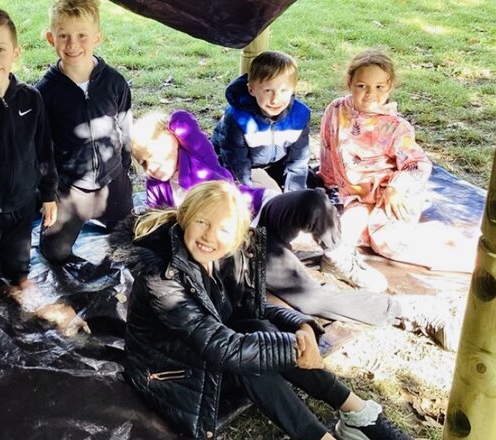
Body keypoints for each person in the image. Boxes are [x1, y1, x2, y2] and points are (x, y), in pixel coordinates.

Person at [129, 110, 460, 351]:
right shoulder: (157, 190)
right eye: (142, 162)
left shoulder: (195, 155)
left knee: (312, 201)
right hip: (243, 246)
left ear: (173, 141)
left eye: (153, 155)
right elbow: (160, 229)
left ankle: (337, 255)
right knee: (311, 299)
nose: (150, 166)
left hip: (259, 209)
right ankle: (411, 312)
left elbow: (183, 119)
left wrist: (160, 127)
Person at [110, 180, 413, 440]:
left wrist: (301, 326)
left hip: (214, 347)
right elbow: (222, 348)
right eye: (202, 221)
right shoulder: (161, 275)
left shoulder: (233, 254)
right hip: (168, 371)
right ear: (185, 217)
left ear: (238, 235)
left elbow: (253, 310)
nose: (209, 236)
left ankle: (358, 413)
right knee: (247, 356)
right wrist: (294, 349)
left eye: (224, 228)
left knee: (260, 334)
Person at [0, 8, 86, 336]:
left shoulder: (31, 99)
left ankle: (33, 299)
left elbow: (44, 150)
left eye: (0, 49)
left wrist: (49, 195)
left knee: (20, 271)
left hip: (21, 210)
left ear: (15, 52)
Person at [319, 49, 475, 272]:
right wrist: (326, 180)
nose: (370, 93)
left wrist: (396, 188)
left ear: (390, 87)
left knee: (387, 242)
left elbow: (418, 164)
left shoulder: (395, 127)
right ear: (349, 83)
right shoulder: (335, 110)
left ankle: (472, 261)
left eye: (379, 87)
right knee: (341, 239)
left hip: (391, 195)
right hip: (357, 197)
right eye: (362, 85)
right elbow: (327, 144)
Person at [35, 0, 134, 265]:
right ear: (50, 38)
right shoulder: (44, 92)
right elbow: (42, 146)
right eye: (63, 35)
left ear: (97, 38)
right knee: (54, 252)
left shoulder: (114, 82)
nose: (72, 44)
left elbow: (124, 124)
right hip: (70, 188)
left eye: (82, 35)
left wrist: (123, 167)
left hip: (112, 183)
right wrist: (48, 191)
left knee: (132, 242)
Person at [211, 50, 312, 193]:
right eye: (268, 91)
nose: (275, 99)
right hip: (234, 164)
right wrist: (249, 194)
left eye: (284, 91)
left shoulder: (299, 115)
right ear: (251, 89)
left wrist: (294, 196)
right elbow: (236, 162)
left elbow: (298, 159)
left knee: (308, 186)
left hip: (274, 163)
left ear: (293, 89)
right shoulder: (237, 118)